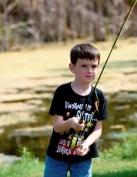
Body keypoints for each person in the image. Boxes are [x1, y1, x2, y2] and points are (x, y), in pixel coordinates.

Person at [44, 43, 107, 177]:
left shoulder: (99, 96)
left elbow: (98, 129)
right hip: (57, 156)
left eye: (94, 66)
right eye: (84, 66)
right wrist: (71, 122)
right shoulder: (62, 92)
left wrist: (86, 144)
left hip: (82, 158)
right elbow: (57, 127)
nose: (89, 70)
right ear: (72, 68)